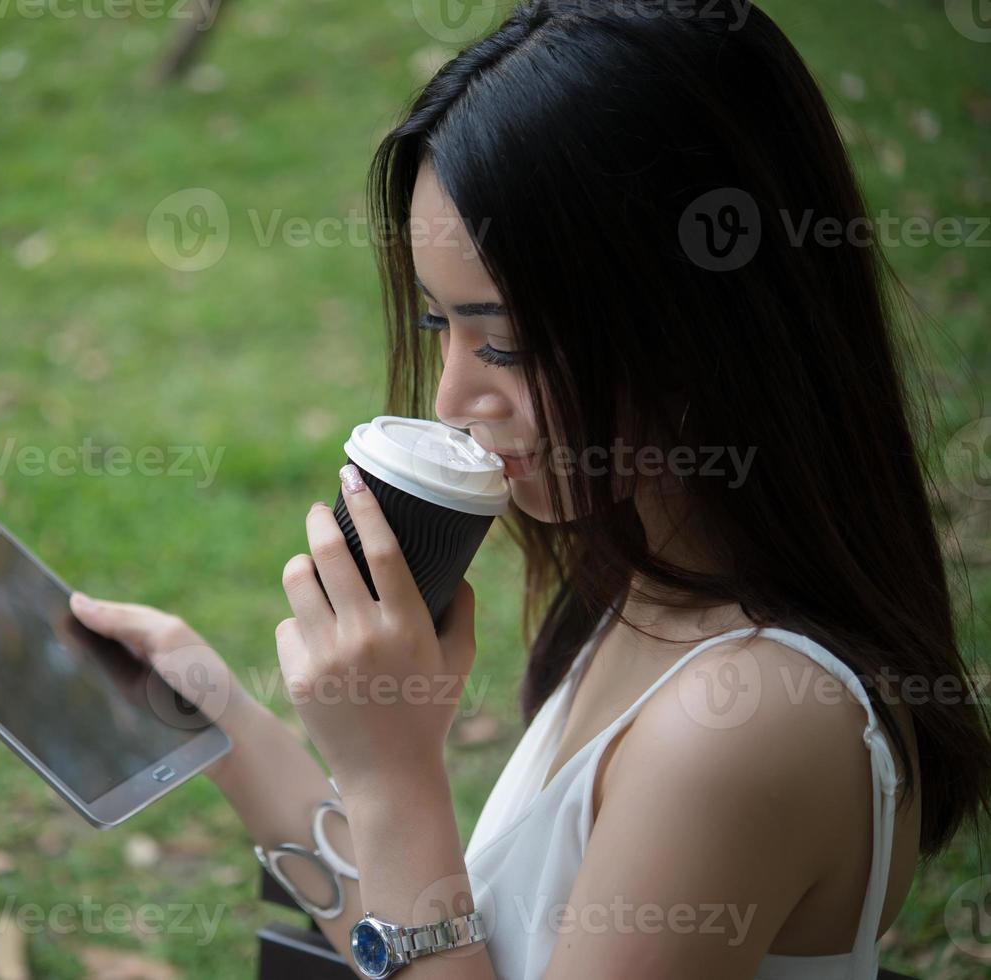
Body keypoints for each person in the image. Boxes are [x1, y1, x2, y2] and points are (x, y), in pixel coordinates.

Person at [70, 2, 991, 976]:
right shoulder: (653, 580)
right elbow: (432, 937)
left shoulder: (743, 722)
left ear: (700, 327)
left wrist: (394, 778)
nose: (453, 398)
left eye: (503, 342)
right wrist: (223, 719)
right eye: (439, 328)